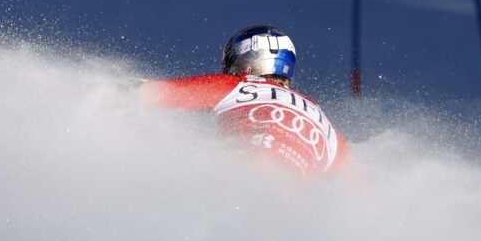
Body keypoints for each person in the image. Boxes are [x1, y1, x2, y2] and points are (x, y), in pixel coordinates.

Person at [140, 25, 349, 176]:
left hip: (238, 187)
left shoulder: (238, 86)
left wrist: (112, 87)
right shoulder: (325, 123)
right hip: (289, 219)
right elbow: (363, 194)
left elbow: (156, 95)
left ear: (246, 62)